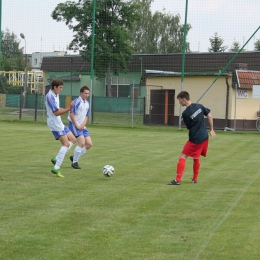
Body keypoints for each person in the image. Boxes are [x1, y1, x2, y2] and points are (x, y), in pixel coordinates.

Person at [167, 91, 216, 185]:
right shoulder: (200, 106)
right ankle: (194, 179)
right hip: (204, 137)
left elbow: (189, 127)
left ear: (184, 99)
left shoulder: (185, 114)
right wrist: (212, 130)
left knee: (183, 156)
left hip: (195, 139)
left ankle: (177, 180)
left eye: (179, 100)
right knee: (196, 157)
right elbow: (210, 116)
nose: (179, 103)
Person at [45, 78, 76, 177]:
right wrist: (69, 108)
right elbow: (56, 112)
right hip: (54, 123)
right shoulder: (50, 96)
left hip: (59, 122)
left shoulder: (55, 94)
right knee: (66, 144)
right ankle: (56, 167)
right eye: (60, 87)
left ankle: (57, 158)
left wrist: (68, 110)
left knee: (73, 139)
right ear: (55, 87)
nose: (61, 89)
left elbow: (58, 109)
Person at [68, 86, 92, 169]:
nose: (87, 95)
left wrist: (83, 125)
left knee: (89, 144)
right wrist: (77, 125)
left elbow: (86, 115)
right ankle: (74, 162)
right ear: (81, 93)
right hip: (74, 125)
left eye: (88, 93)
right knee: (81, 143)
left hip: (82, 126)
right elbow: (71, 114)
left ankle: (74, 157)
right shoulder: (76, 102)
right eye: (85, 93)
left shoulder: (87, 103)